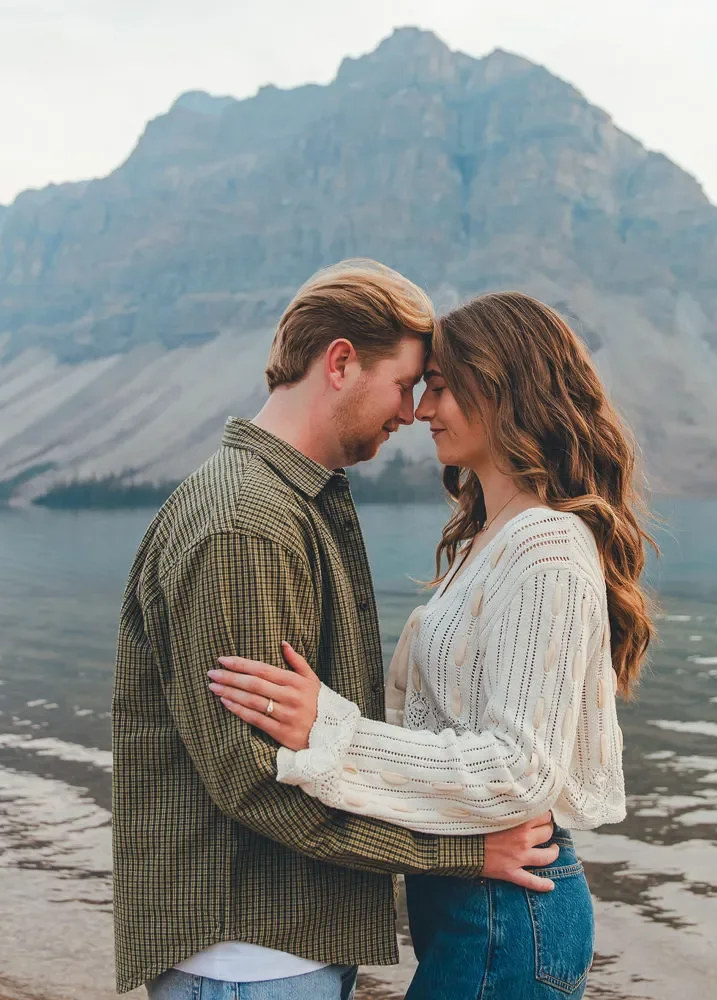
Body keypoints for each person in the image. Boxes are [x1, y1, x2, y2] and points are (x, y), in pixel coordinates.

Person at [111, 262, 562, 1000]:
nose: (414, 412)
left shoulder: (282, 503)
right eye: (406, 383)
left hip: (276, 948)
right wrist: (461, 850)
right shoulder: (245, 525)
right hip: (251, 961)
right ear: (342, 362)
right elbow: (257, 781)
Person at [210, 291, 655, 999]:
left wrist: (332, 731)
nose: (420, 412)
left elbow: (518, 771)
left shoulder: (546, 546)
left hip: (510, 914)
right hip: (474, 903)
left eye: (442, 388)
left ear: (501, 387)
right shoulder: (492, 537)